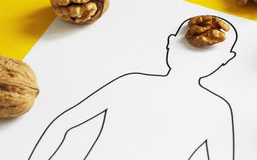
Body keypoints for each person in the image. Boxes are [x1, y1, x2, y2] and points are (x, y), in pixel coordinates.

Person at [29, 16, 238, 160]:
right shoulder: (130, 83)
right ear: (170, 43)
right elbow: (63, 124)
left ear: (226, 60)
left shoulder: (217, 110)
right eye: (191, 43)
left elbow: (63, 124)